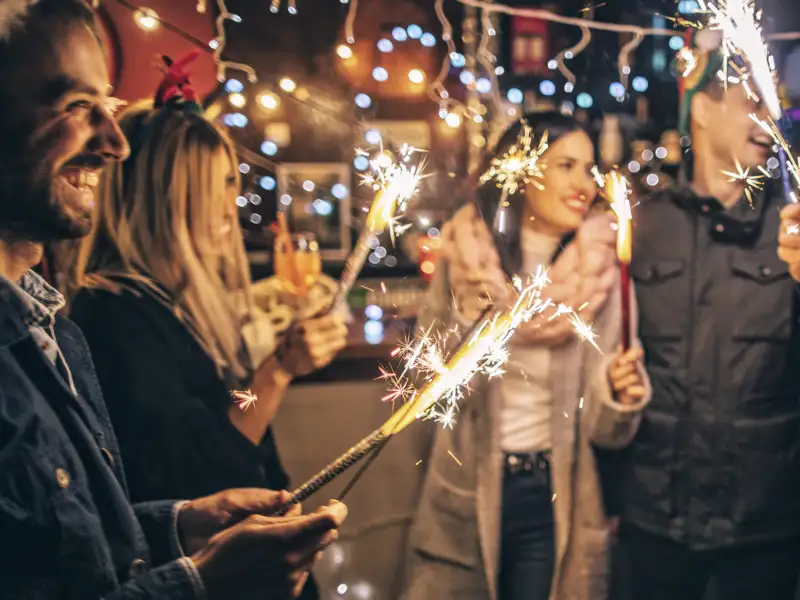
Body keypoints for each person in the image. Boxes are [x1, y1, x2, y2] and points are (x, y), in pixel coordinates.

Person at [0, 1, 347, 598]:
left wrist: (175, 524)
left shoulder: (53, 328)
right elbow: (197, 457)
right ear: (167, 206)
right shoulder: (115, 315)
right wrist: (201, 581)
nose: (114, 143)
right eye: (76, 106)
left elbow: (79, 536)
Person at [401, 112, 651, 600]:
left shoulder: (604, 272)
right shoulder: (464, 259)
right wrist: (464, 337)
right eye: (566, 166)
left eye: (589, 168)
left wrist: (622, 396)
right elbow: (424, 392)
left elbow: (605, 429)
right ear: (521, 171)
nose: (585, 182)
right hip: (466, 495)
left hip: (555, 497)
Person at [615, 29, 800, 600]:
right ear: (701, 107)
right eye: (753, 105)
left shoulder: (792, 228)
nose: (771, 123)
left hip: (766, 524)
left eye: (778, 111)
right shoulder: (643, 227)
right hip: (656, 522)